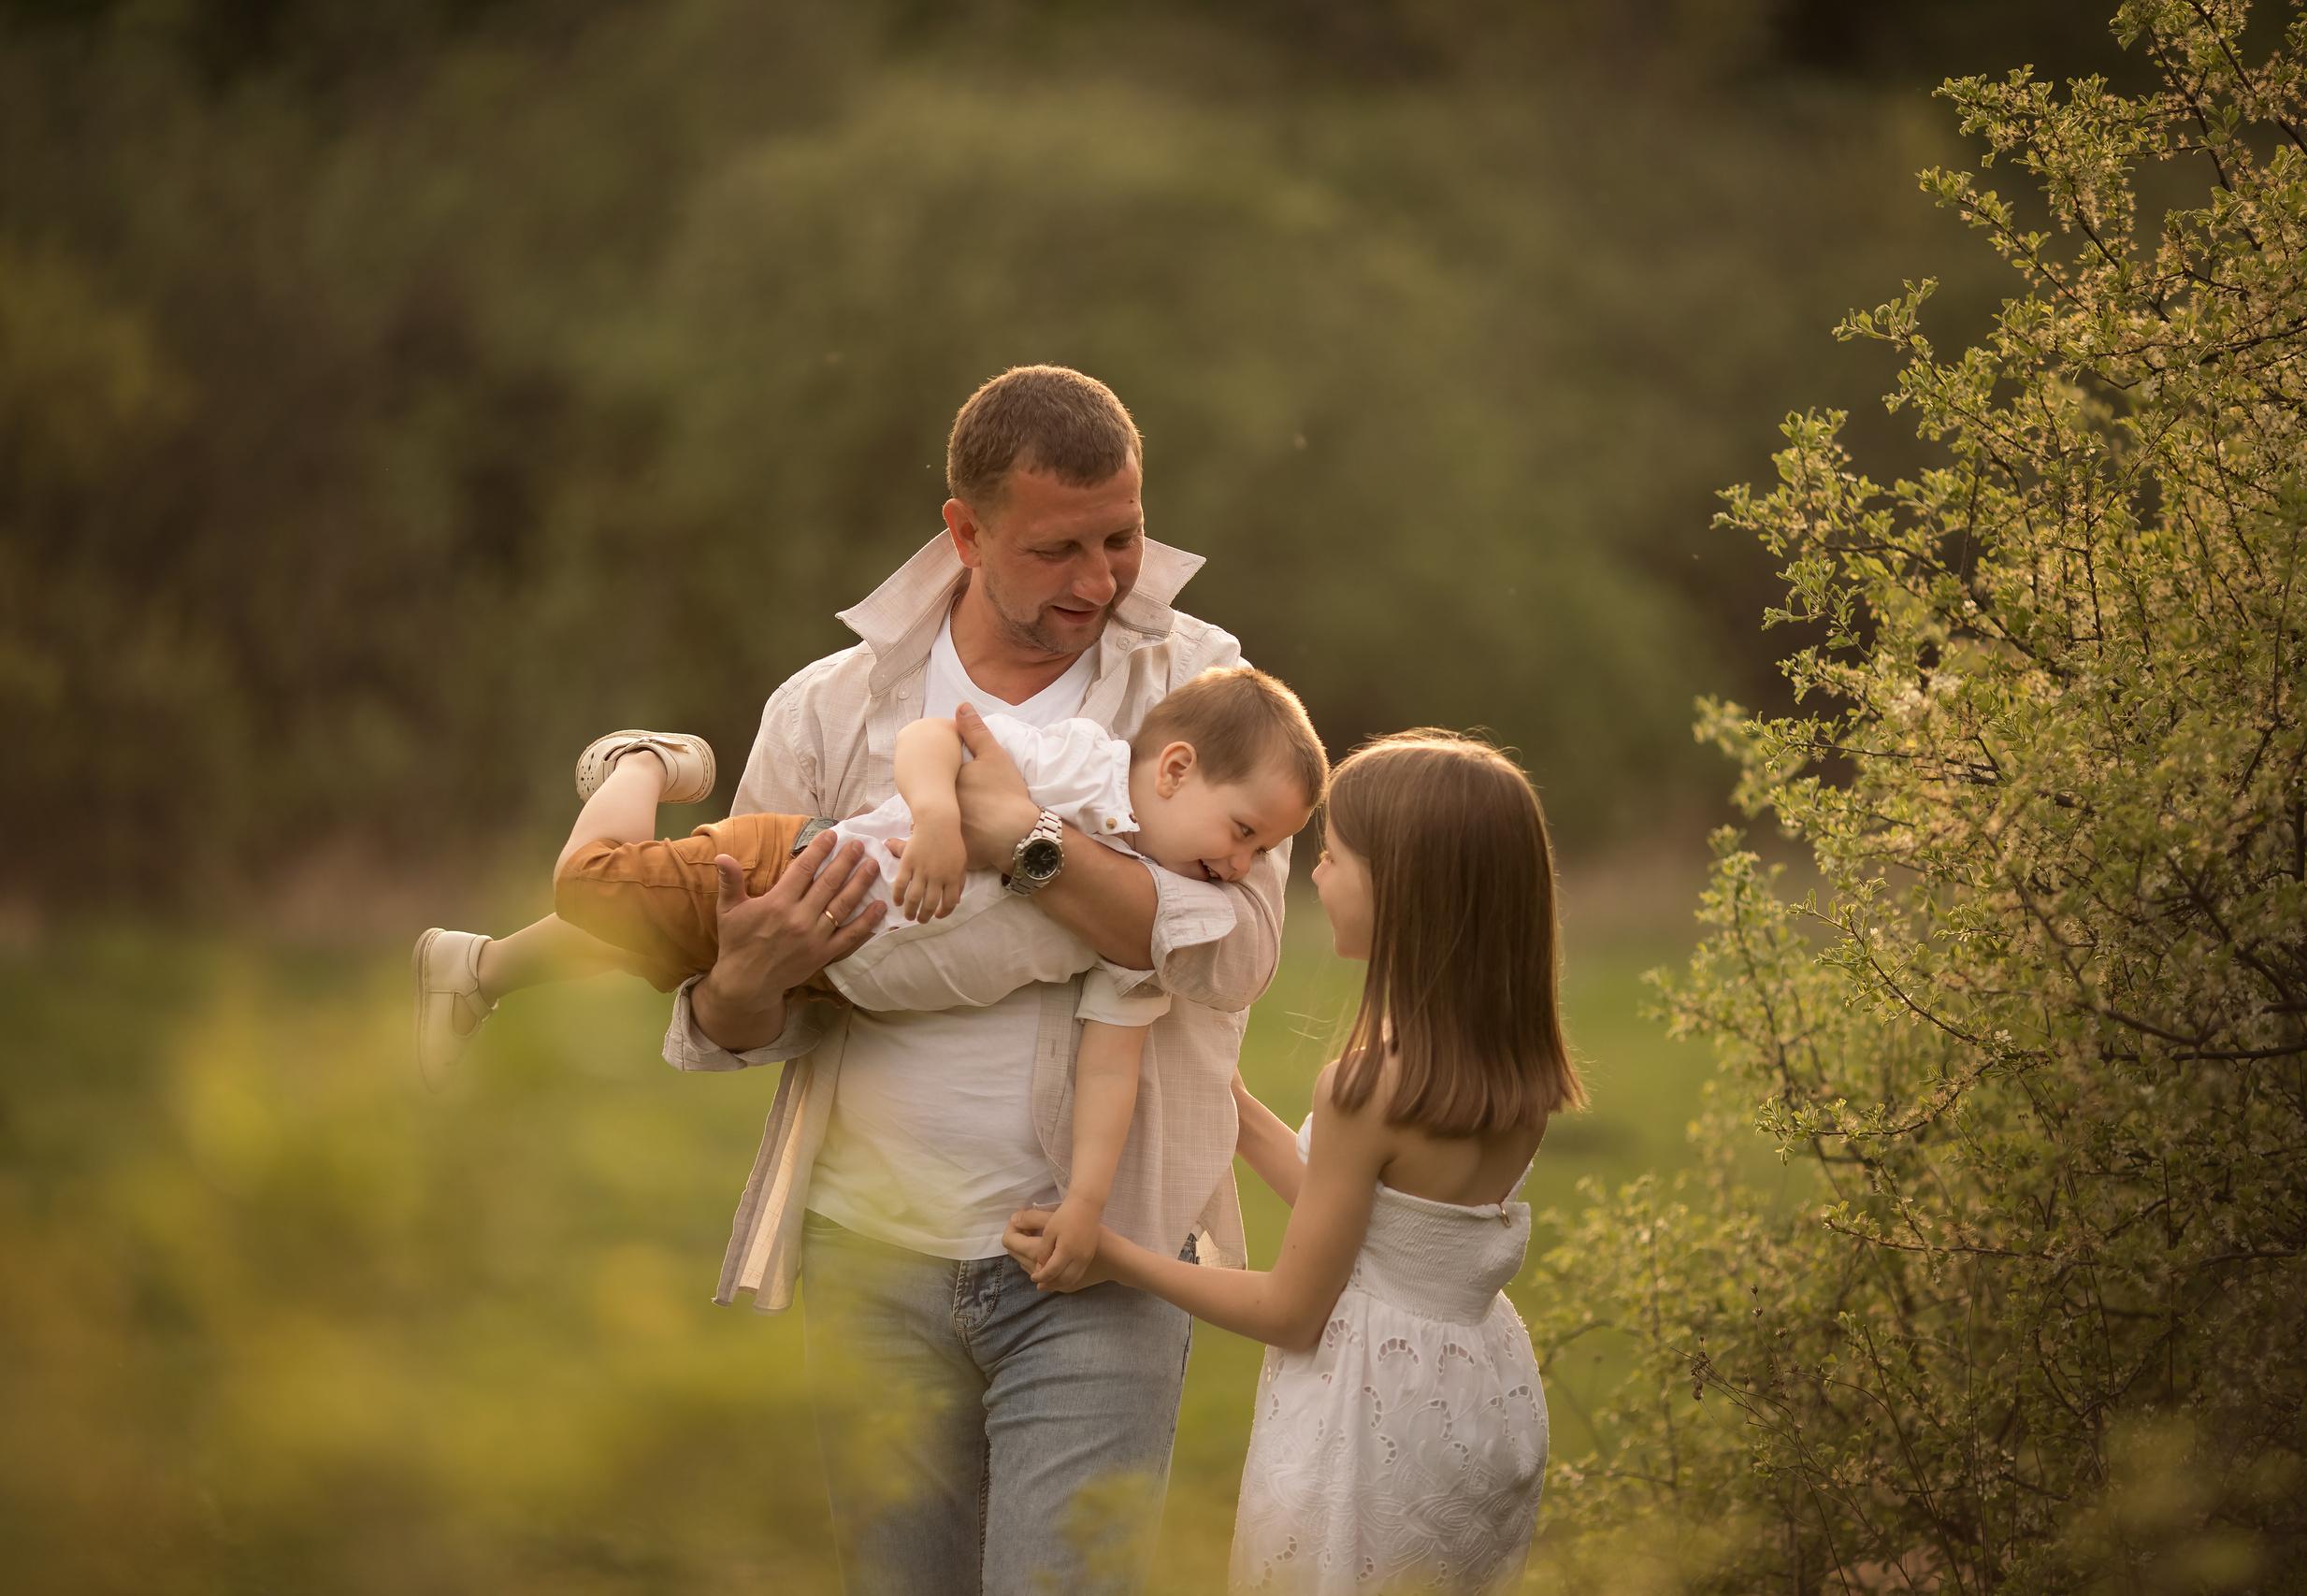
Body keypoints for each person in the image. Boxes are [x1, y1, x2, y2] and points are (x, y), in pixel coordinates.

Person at [450, 364, 1288, 1595]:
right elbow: (738, 1016)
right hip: (873, 1259)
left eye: (1123, 535)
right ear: (964, 529)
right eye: (1060, 548)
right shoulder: (828, 705)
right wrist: (748, 971)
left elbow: (1245, 948)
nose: (1103, 579)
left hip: (1099, 1261)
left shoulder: (1206, 687)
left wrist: (1028, 847)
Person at [415, 664, 1325, 1289]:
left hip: (841, 974)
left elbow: (1111, 1066)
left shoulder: (1147, 922)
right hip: (800, 875)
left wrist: (1087, 1202)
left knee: (650, 944)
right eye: (1243, 832)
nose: (1245, 866)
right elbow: (933, 739)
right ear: (1173, 770)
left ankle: (479, 967)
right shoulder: (1085, 771)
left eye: (1269, 850)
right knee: (594, 886)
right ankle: (641, 762)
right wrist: (934, 821)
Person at [1005, 731, 1584, 1594]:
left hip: (1370, 1413)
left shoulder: (1368, 1083)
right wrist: (1222, 1092)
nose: (1314, 877)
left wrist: (1117, 1254)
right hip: (1472, 1395)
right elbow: (1365, 1218)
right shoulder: (1513, 1069)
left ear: (1406, 891)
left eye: (1333, 857)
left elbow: (1290, 1309)